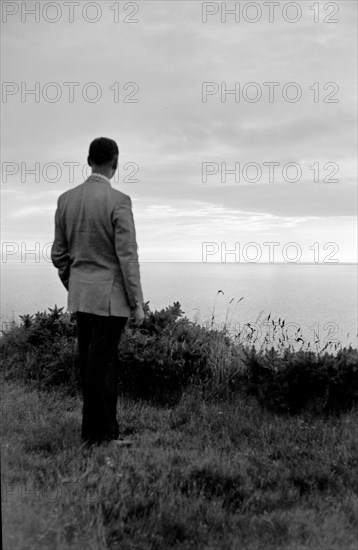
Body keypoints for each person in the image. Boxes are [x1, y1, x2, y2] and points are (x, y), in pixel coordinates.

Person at [51, 137, 144, 447]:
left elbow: (59, 255)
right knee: (99, 366)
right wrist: (137, 303)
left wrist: (72, 281)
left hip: (82, 296)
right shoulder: (119, 201)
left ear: (88, 159)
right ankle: (95, 437)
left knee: (96, 364)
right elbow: (127, 256)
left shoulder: (66, 199)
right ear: (115, 162)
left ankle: (106, 431)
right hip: (110, 298)